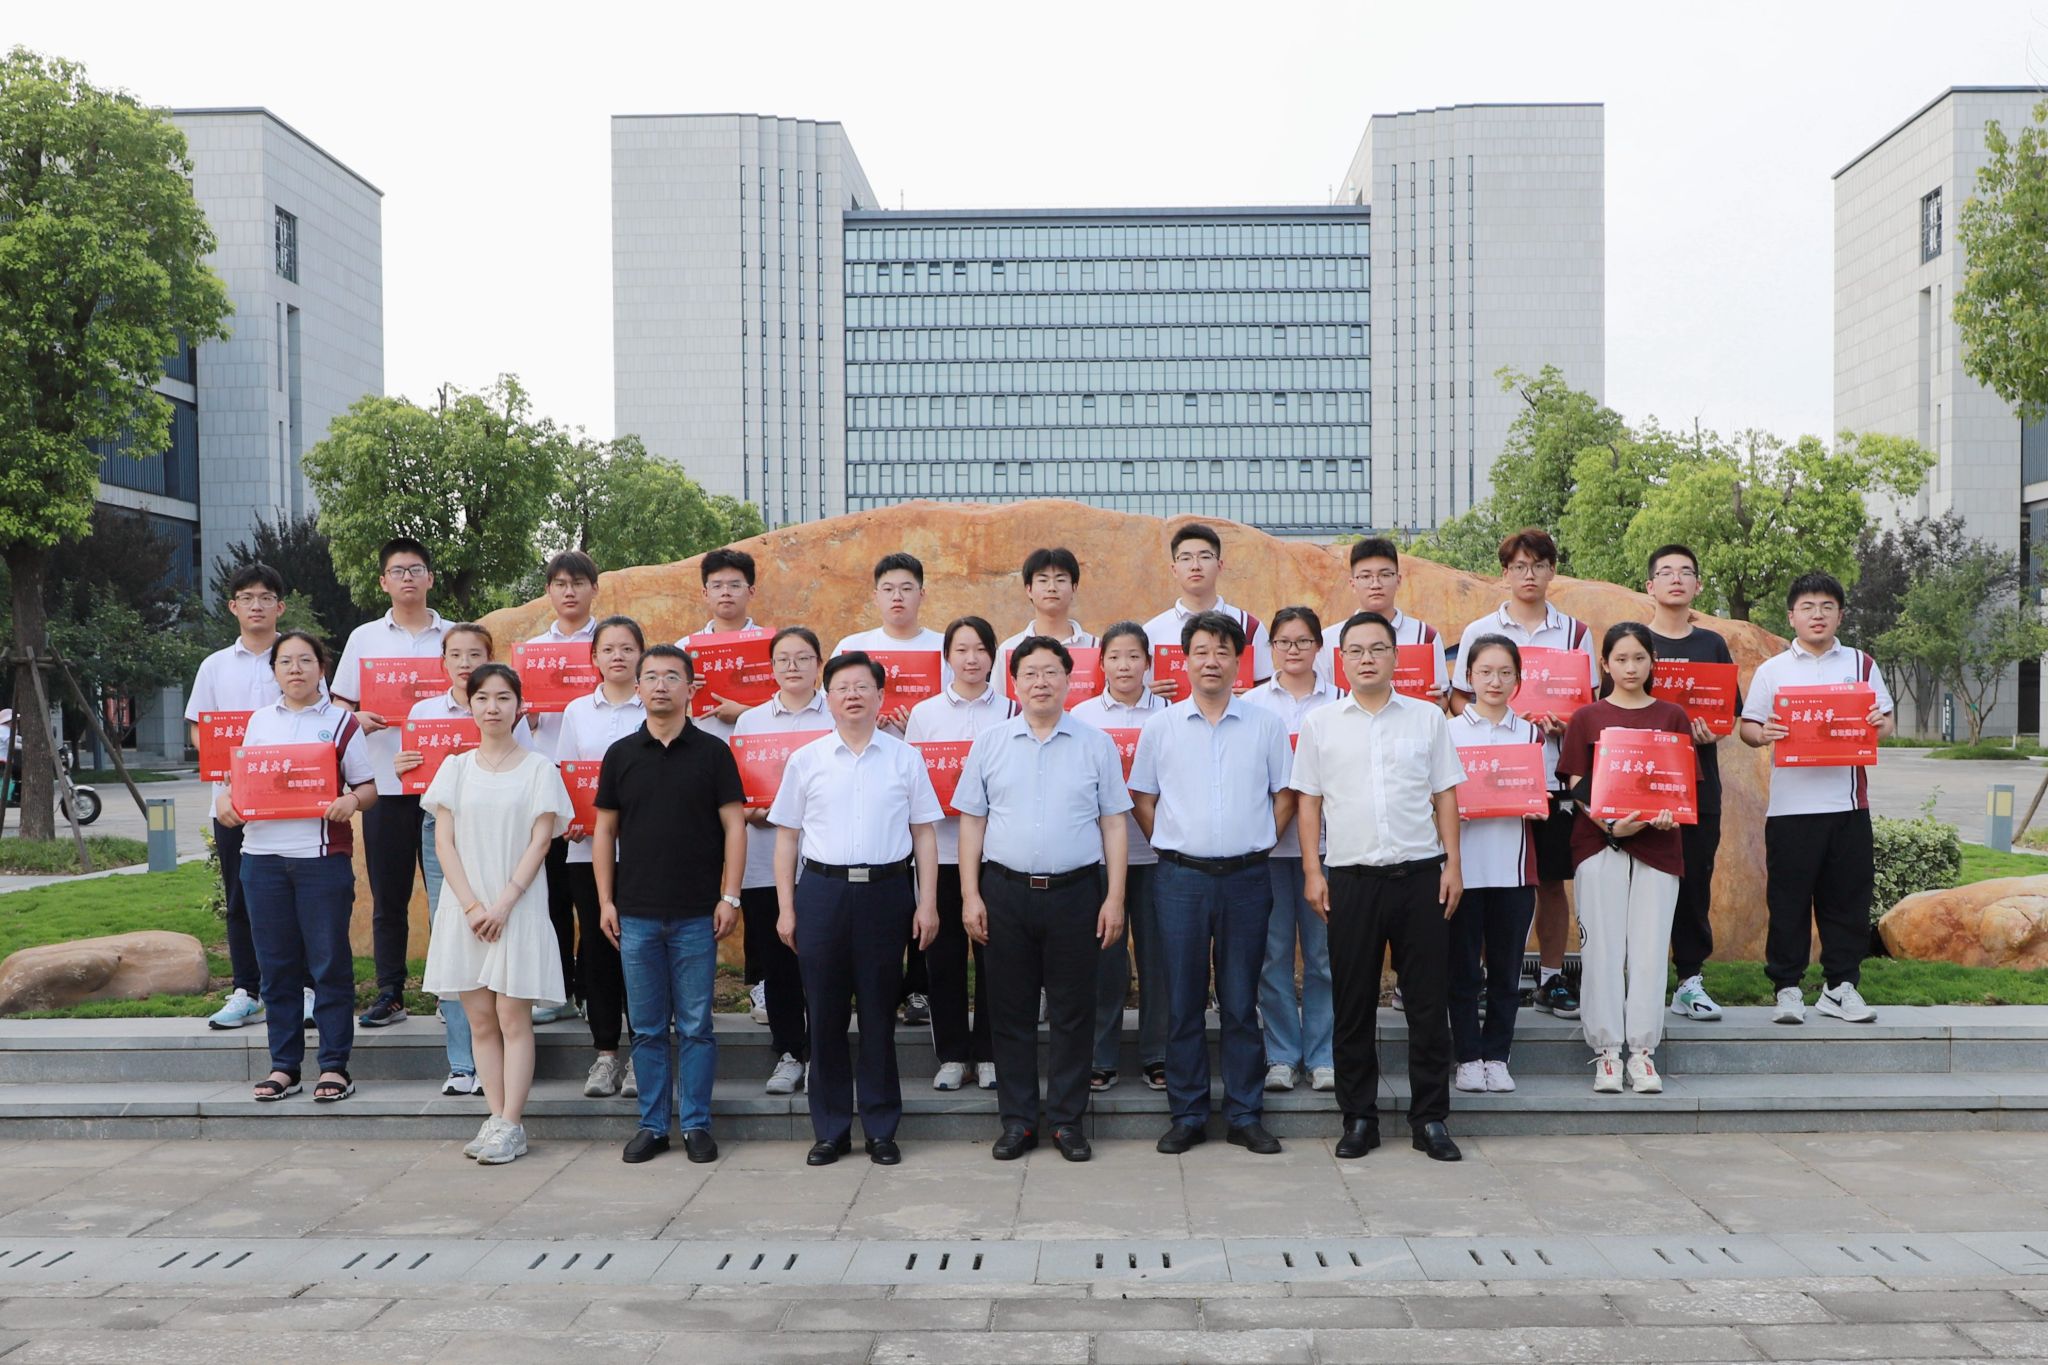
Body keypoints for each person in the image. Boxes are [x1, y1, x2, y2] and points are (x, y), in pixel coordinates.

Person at [1293, 611, 1468, 1163]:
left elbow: (1445, 794)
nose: (1366, 659)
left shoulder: (1427, 718)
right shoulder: (1321, 724)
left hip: (1421, 877)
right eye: (1356, 650)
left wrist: (1453, 865)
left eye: (1377, 649)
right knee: (1352, 1005)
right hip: (1351, 880)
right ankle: (1358, 1118)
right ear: (1340, 660)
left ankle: (1430, 1119)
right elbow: (1308, 802)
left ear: (1395, 657)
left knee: (1427, 1004)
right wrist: (1313, 871)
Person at [956, 636, 1130, 1163]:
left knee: (1074, 1012)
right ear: (1014, 682)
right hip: (1004, 893)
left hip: (1077, 894)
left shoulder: (1095, 744)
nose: (1040, 682)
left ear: (1069, 679)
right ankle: (1018, 1122)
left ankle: (1067, 1122)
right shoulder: (990, 743)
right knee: (1009, 1013)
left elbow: (1114, 824)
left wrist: (1114, 897)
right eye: (1029, 673)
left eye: (1051, 672)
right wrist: (970, 895)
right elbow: (972, 821)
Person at [1128, 611, 1294, 1156]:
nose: (1212, 661)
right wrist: (1169, 844)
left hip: (1247, 877)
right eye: (1201, 651)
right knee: (1183, 999)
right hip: (1181, 879)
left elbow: (1285, 794)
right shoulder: (1162, 727)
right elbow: (1143, 797)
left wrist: (1261, 841)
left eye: (1223, 651)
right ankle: (1189, 1114)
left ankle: (1245, 1114)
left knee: (1242, 999)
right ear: (1185, 660)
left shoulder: (1265, 725)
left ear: (1239, 661)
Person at [770, 652, 942, 1167]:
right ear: (828, 697)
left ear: (879, 696)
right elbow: (787, 838)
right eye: (842, 687)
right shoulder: (807, 760)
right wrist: (786, 907)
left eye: (863, 686)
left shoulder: (904, 758)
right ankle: (830, 1130)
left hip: (886, 895)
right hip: (822, 892)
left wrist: (927, 903)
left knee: (878, 1014)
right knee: (823, 1015)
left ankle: (881, 1128)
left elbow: (924, 834)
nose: (852, 695)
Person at [593, 644, 747, 1164]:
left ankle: (697, 1124)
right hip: (634, 914)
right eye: (652, 677)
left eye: (672, 677)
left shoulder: (713, 753)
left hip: (697, 914)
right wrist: (606, 900)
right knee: (647, 1027)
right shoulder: (620, 754)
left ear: (690, 688)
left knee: (697, 1025)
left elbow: (734, 826)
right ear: (637, 688)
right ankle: (654, 1125)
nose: (661, 685)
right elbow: (604, 832)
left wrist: (730, 895)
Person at [421, 663, 575, 1164]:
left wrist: (504, 903)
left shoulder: (539, 769)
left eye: (503, 698)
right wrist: (471, 906)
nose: (493, 707)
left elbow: (540, 842)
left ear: (519, 706)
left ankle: (512, 1123)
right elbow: (443, 843)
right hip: (466, 909)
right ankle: (494, 1117)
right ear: (469, 706)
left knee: (513, 1018)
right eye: (483, 698)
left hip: (518, 907)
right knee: (481, 1021)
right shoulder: (455, 768)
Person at [1449, 527, 1597, 1021]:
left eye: (1538, 565)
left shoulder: (1576, 633)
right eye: (1519, 566)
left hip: (1552, 777)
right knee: (1486, 880)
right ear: (1505, 573)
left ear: (1553, 570)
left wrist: (1564, 725)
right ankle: (1488, 980)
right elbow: (1458, 699)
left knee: (1550, 880)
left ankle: (1552, 978)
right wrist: (1501, 722)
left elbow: (1589, 707)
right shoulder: (1479, 630)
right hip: (1488, 778)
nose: (1528, 575)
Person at [221, 631, 376, 1105]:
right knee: (276, 968)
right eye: (285, 661)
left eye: (305, 660)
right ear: (274, 671)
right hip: (261, 859)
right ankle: (284, 1066)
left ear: (321, 668)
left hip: (320, 859)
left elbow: (368, 787)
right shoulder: (259, 722)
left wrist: (351, 801)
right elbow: (237, 782)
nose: (295, 669)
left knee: (329, 965)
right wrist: (226, 801)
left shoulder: (342, 723)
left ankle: (334, 1066)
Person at [1740, 572, 1895, 1026]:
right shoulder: (1772, 670)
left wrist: (1877, 723)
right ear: (1792, 616)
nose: (1818, 615)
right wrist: (1763, 733)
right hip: (1790, 809)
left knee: (1846, 902)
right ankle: (1787, 988)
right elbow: (1748, 727)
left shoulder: (1861, 664)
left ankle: (1840, 987)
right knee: (1788, 902)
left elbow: (1886, 722)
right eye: (1807, 607)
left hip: (1847, 806)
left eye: (1827, 606)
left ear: (1840, 615)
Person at [1556, 622, 1692, 1094]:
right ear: (1605, 664)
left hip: (1659, 849)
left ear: (1653, 661)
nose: (1630, 667)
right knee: (1602, 951)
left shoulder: (1672, 716)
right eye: (1620, 659)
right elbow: (1576, 783)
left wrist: (1668, 815)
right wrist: (1611, 826)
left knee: (1651, 953)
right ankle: (1608, 1053)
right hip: (1599, 846)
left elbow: (1679, 786)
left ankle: (1643, 1053)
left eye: (1639, 658)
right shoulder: (1587, 717)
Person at [394, 623, 519, 1097]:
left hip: (501, 831)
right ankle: (463, 1063)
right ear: (442, 661)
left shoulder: (506, 705)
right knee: (452, 930)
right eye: (455, 654)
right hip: (442, 828)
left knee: (502, 930)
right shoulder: (424, 712)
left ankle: (500, 1058)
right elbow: (414, 778)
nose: (465, 663)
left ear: (490, 656)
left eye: (475, 654)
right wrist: (404, 767)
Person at [189, 563, 312, 1032]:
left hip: (295, 802)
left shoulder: (299, 659)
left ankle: (305, 989)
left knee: (300, 896)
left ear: (281, 606)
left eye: (265, 597)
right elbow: (202, 730)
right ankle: (247, 991)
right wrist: (225, 780)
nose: (256, 606)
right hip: (233, 804)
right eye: (246, 598)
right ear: (233, 606)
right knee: (241, 897)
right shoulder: (215, 666)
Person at [333, 537, 448, 1029]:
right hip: (386, 787)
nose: (407, 578)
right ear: (383, 581)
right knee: (389, 897)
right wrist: (357, 718)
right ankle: (390, 993)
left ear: (430, 578)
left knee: (453, 896)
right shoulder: (364, 638)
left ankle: (452, 993)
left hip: (447, 789)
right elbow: (339, 704)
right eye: (398, 571)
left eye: (416, 569)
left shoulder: (454, 636)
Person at [831, 552, 948, 1025]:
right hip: (864, 771)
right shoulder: (853, 646)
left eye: (907, 588)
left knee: (914, 875)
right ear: (875, 595)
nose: (898, 597)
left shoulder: (943, 647)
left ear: (922, 593)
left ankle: (917, 987)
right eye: (888, 589)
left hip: (923, 769)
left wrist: (916, 724)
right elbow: (837, 706)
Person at [902, 617, 1016, 1092]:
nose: (972, 659)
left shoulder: (1012, 710)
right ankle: (951, 1054)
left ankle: (988, 1053)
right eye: (961, 650)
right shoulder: (925, 713)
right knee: (943, 955)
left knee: (996, 957)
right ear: (947, 657)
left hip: (998, 853)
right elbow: (911, 781)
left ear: (994, 656)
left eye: (980, 649)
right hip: (940, 851)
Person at [728, 626, 829, 1096]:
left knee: (824, 964)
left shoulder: (836, 713)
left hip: (825, 861)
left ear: (819, 665)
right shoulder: (751, 723)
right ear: (770, 668)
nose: (793, 667)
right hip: (766, 861)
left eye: (803, 658)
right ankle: (789, 1052)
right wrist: (752, 811)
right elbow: (741, 799)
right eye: (783, 659)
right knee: (779, 962)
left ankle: (824, 1053)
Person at [1244, 606, 1341, 1094]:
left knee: (1324, 956)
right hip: (1267, 851)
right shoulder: (1251, 704)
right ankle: (1281, 1054)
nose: (1293, 650)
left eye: (1303, 641)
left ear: (1319, 647)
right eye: (1283, 642)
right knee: (1272, 954)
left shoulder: (1342, 701)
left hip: (1330, 849)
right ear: (1271, 649)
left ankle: (1323, 1055)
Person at [1071, 620, 1169, 1093]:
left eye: (1133, 656)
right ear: (1101, 663)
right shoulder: (1082, 716)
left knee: (1158, 960)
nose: (1124, 665)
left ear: (1148, 662)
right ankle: (1101, 1057)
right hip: (1097, 858)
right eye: (1114, 656)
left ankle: (1158, 1054)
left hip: (1158, 857)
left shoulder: (1172, 713)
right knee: (1104, 960)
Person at [1446, 635, 1546, 1094]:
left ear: (1518, 680)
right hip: (1462, 869)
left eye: (1506, 673)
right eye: (1485, 672)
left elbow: (1541, 791)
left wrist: (1534, 804)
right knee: (1463, 970)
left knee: (1507, 970)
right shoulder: (1448, 732)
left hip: (1513, 868)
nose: (1495, 681)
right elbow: (1433, 796)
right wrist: (1453, 809)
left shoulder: (1530, 734)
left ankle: (1497, 1056)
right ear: (1468, 676)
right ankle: (1468, 1057)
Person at [556, 615, 648, 1100]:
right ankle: (606, 1053)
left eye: (627, 648)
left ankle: (644, 1055)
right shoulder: (577, 711)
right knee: (598, 948)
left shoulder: (655, 704)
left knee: (643, 951)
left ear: (641, 656)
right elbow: (567, 774)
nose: (618, 656)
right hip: (587, 851)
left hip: (646, 853)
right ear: (593, 658)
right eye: (608, 649)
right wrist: (571, 818)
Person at [1644, 543, 1736, 1022]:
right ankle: (1640, 981)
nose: (1676, 579)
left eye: (1685, 572)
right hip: (1641, 783)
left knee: (1694, 881)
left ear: (1698, 585)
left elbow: (1727, 711)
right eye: (1666, 572)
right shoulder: (1635, 641)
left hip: (1698, 784)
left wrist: (1713, 730)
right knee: (1643, 882)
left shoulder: (1712, 645)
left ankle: (1689, 980)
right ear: (1650, 586)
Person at [528, 551, 601, 1028]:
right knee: (552, 893)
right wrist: (529, 715)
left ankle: (595, 989)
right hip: (546, 781)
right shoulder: (533, 653)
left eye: (578, 582)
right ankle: (558, 991)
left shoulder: (611, 643)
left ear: (595, 588)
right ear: (549, 591)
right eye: (559, 583)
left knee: (595, 893)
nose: (569, 591)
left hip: (597, 782)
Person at [1143, 523, 1272, 692]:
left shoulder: (1250, 627)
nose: (1195, 566)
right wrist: (1149, 695)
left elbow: (1266, 691)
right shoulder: (1151, 631)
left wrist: (1251, 697)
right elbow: (1136, 693)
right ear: (1174, 570)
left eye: (1204, 557)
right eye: (1186, 558)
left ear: (1220, 565)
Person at [1318, 538, 1449, 701]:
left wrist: (1438, 701)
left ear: (1398, 580)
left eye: (1385, 575)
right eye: (1366, 576)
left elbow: (1443, 698)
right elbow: (1322, 699)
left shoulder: (1426, 636)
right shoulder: (1329, 639)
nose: (1375, 584)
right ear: (1352, 584)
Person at [679, 546, 766, 742]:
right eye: (717, 586)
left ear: (751, 592)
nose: (726, 592)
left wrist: (744, 713)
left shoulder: (772, 645)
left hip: (757, 747)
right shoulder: (683, 648)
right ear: (705, 593)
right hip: (700, 748)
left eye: (735, 585)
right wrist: (682, 687)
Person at [996, 547, 1098, 681]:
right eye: (1043, 580)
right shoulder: (1009, 650)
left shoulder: (1097, 648)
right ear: (1029, 589)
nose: (1052, 588)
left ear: (1074, 588)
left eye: (1060, 580)